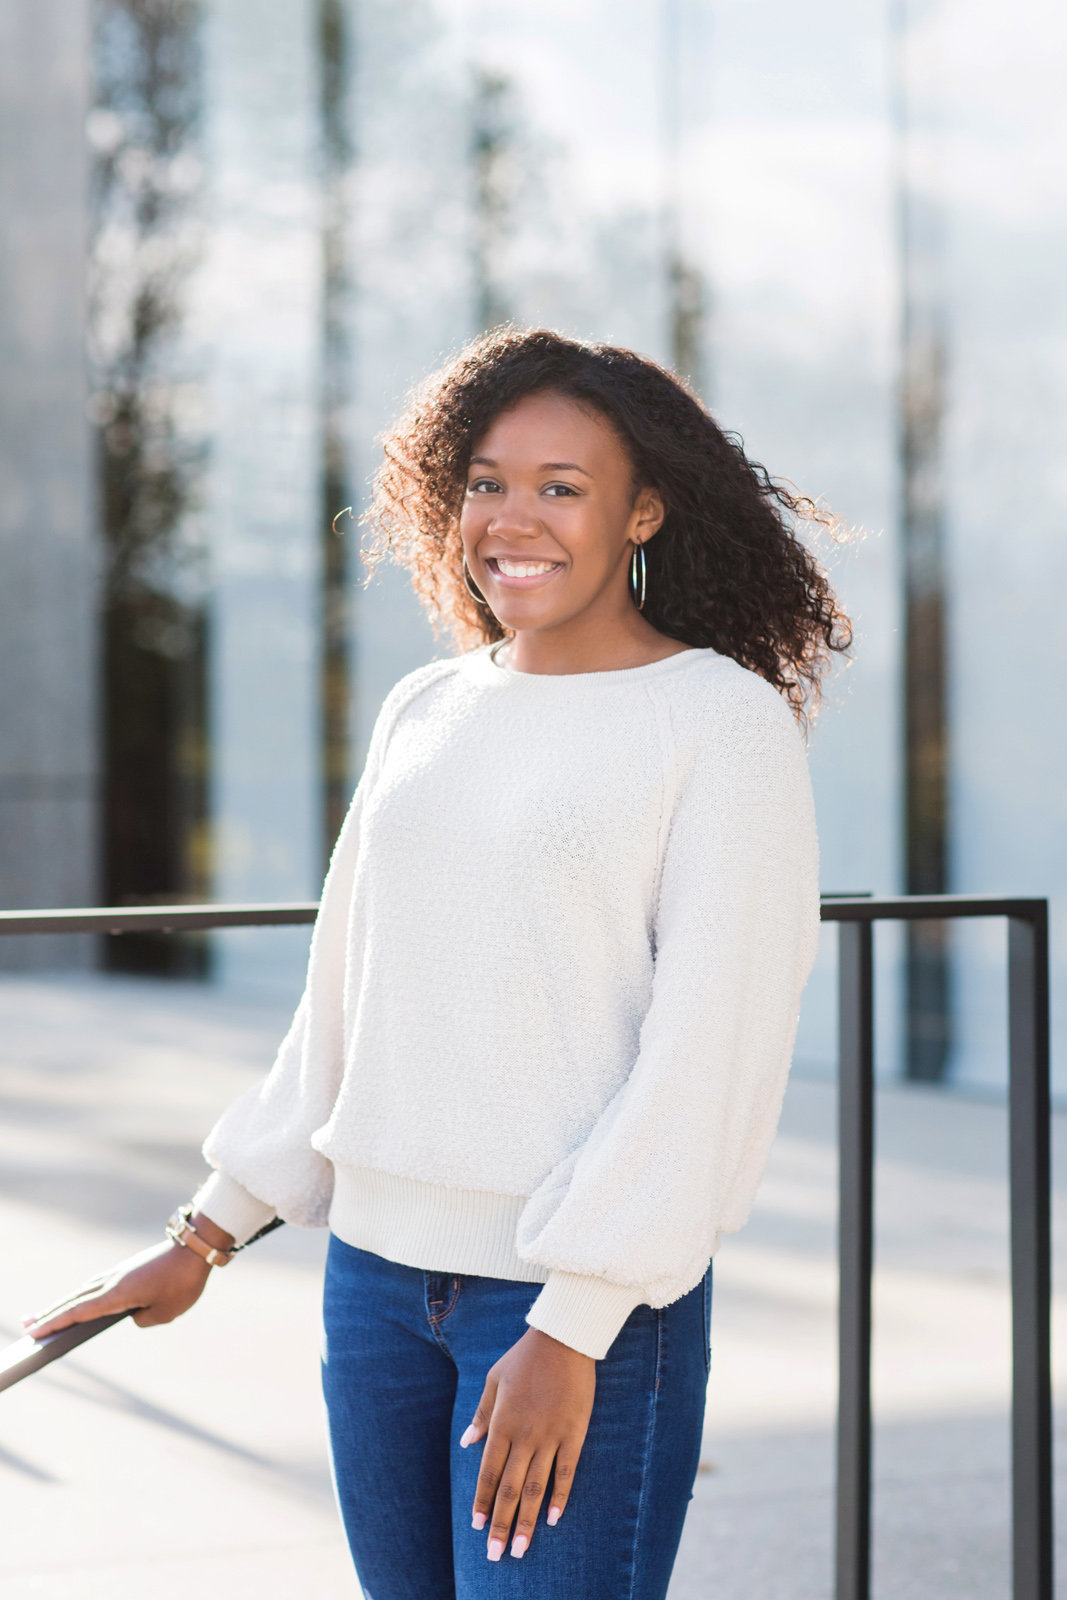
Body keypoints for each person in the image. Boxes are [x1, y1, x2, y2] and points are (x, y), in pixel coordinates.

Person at [25, 327, 851, 1599]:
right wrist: (205, 1230)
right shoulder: (427, 707)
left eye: (559, 486)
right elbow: (346, 1006)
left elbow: (710, 1056)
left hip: (578, 1313)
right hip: (372, 1295)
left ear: (643, 508)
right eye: (483, 481)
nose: (510, 518)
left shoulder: (716, 725)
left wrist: (570, 1321)